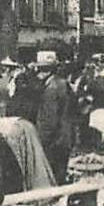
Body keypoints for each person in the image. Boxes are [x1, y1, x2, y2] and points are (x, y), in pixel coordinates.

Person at [35, 53, 74, 184]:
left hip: (54, 141)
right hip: (65, 137)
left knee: (52, 177)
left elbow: (49, 120)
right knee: (61, 174)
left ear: (45, 71)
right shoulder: (63, 84)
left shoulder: (51, 89)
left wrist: (41, 141)